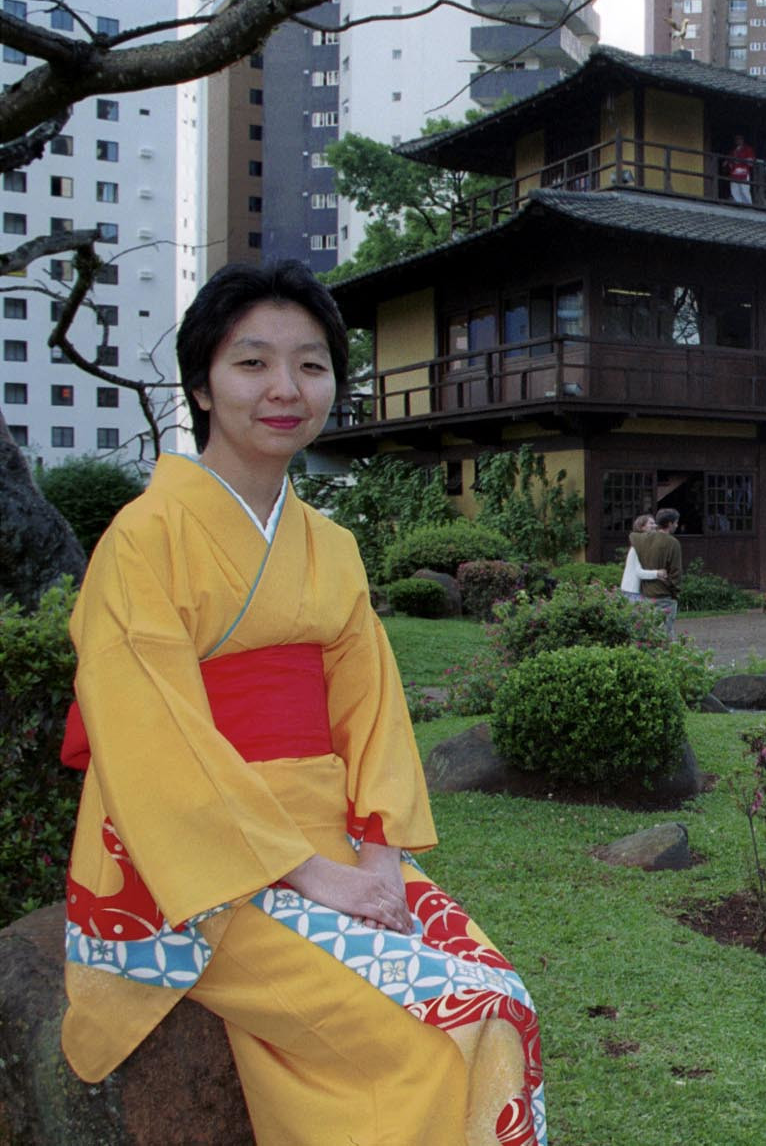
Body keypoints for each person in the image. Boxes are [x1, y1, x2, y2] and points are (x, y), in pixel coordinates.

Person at [57, 261, 545, 1144]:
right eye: (251, 364)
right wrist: (316, 875)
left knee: (503, 1000)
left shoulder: (332, 545)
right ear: (202, 385)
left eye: (311, 365)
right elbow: (149, 738)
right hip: (190, 864)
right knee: (435, 1031)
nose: (285, 388)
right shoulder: (142, 539)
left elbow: (371, 710)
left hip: (332, 839)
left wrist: (378, 852)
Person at [632, 505, 685, 635]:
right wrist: (675, 592)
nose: (677, 525)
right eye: (676, 522)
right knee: (665, 634)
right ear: (669, 523)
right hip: (664, 595)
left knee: (648, 633)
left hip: (646, 594)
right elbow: (676, 573)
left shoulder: (643, 539)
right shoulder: (673, 543)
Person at [621, 512, 662, 602]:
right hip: (632, 592)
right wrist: (658, 573)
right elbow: (639, 573)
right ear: (642, 527)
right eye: (651, 523)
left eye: (655, 523)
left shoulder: (643, 545)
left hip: (635, 592)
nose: (655, 526)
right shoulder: (636, 548)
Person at [725, 133, 757, 205]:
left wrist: (741, 160)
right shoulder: (733, 151)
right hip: (734, 173)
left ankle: (748, 205)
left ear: (743, 140)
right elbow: (728, 162)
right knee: (735, 190)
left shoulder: (748, 149)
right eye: (736, 139)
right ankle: (737, 204)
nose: (738, 141)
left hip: (744, 172)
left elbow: (751, 162)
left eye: (739, 139)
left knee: (744, 189)